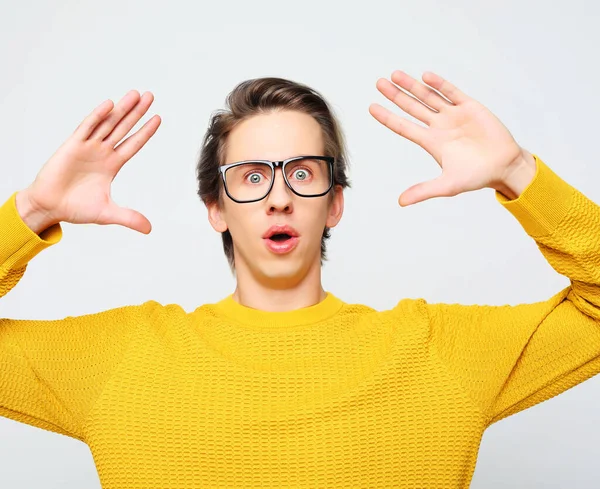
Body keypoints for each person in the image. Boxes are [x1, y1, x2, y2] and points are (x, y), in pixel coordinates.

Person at [0, 70, 598, 488]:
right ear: (216, 208)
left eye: (303, 173)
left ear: (334, 204)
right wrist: (31, 210)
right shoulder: (118, 356)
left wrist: (519, 173)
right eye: (252, 175)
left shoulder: (439, 349)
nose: (280, 197)